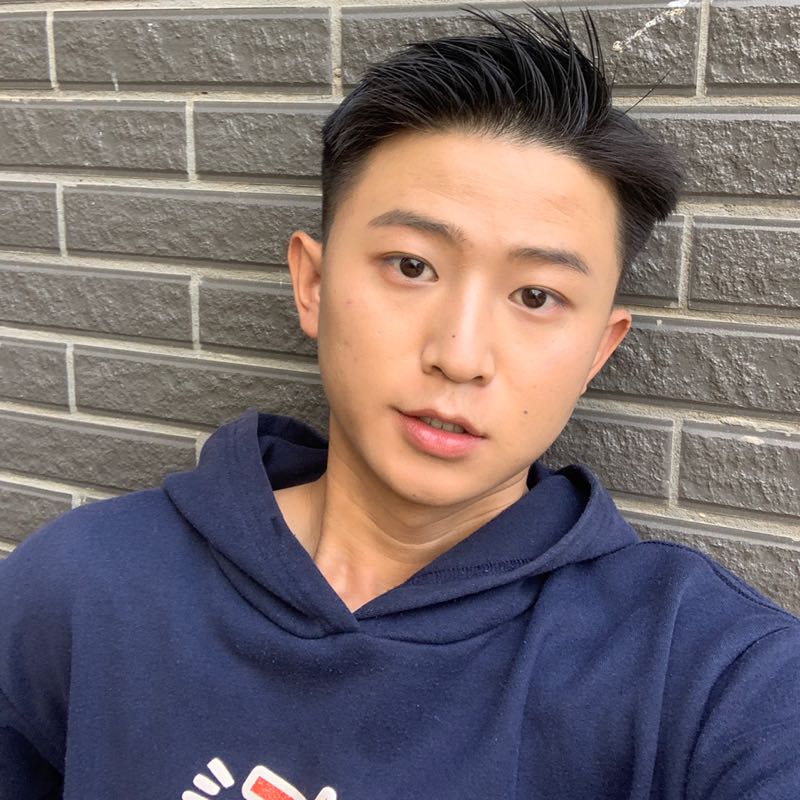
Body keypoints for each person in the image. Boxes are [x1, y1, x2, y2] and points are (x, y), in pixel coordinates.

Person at [1, 8, 798, 800]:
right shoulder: (82, 588)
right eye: (412, 266)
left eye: (536, 295)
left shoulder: (704, 676)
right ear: (313, 285)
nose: (459, 355)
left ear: (599, 349)